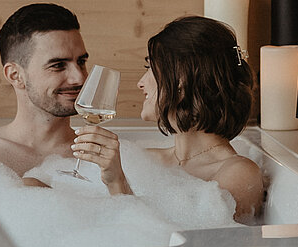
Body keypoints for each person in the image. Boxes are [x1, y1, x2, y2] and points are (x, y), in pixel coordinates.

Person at [71, 16, 265, 224]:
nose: (140, 83)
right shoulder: (146, 160)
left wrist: (117, 183)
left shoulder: (237, 173)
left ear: (182, 80)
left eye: (150, 68)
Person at [0, 3, 90, 176]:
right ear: (15, 75)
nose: (79, 78)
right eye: (58, 65)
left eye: (81, 62)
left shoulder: (100, 156)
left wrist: (117, 181)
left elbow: (123, 203)